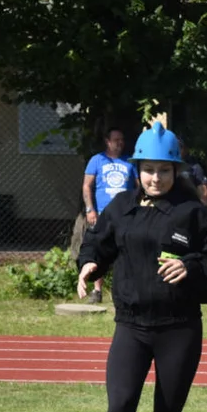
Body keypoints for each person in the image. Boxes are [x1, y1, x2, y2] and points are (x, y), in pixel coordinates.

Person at [74, 122, 207, 412]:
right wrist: (89, 265)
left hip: (178, 329)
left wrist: (191, 267)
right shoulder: (121, 207)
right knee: (119, 407)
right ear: (138, 169)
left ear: (176, 171)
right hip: (132, 327)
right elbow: (97, 244)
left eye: (164, 170)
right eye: (149, 169)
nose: (156, 177)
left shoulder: (194, 214)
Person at [81, 127, 137, 303]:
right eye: (116, 140)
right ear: (107, 141)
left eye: (122, 140)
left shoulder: (130, 162)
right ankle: (97, 291)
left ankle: (129, 288)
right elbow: (86, 186)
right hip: (104, 214)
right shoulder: (97, 160)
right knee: (100, 249)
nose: (120, 143)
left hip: (127, 214)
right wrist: (90, 210)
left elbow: (138, 186)